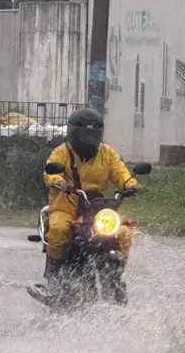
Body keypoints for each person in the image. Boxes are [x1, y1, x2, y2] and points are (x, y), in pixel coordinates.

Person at [30, 108, 139, 299]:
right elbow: (50, 172)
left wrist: (130, 185)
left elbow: (121, 172)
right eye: (84, 134)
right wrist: (59, 181)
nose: (88, 139)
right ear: (73, 133)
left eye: (93, 134)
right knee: (58, 230)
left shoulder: (107, 154)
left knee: (123, 232)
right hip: (66, 207)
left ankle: (115, 277)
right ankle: (53, 280)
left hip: (97, 210)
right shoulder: (62, 152)